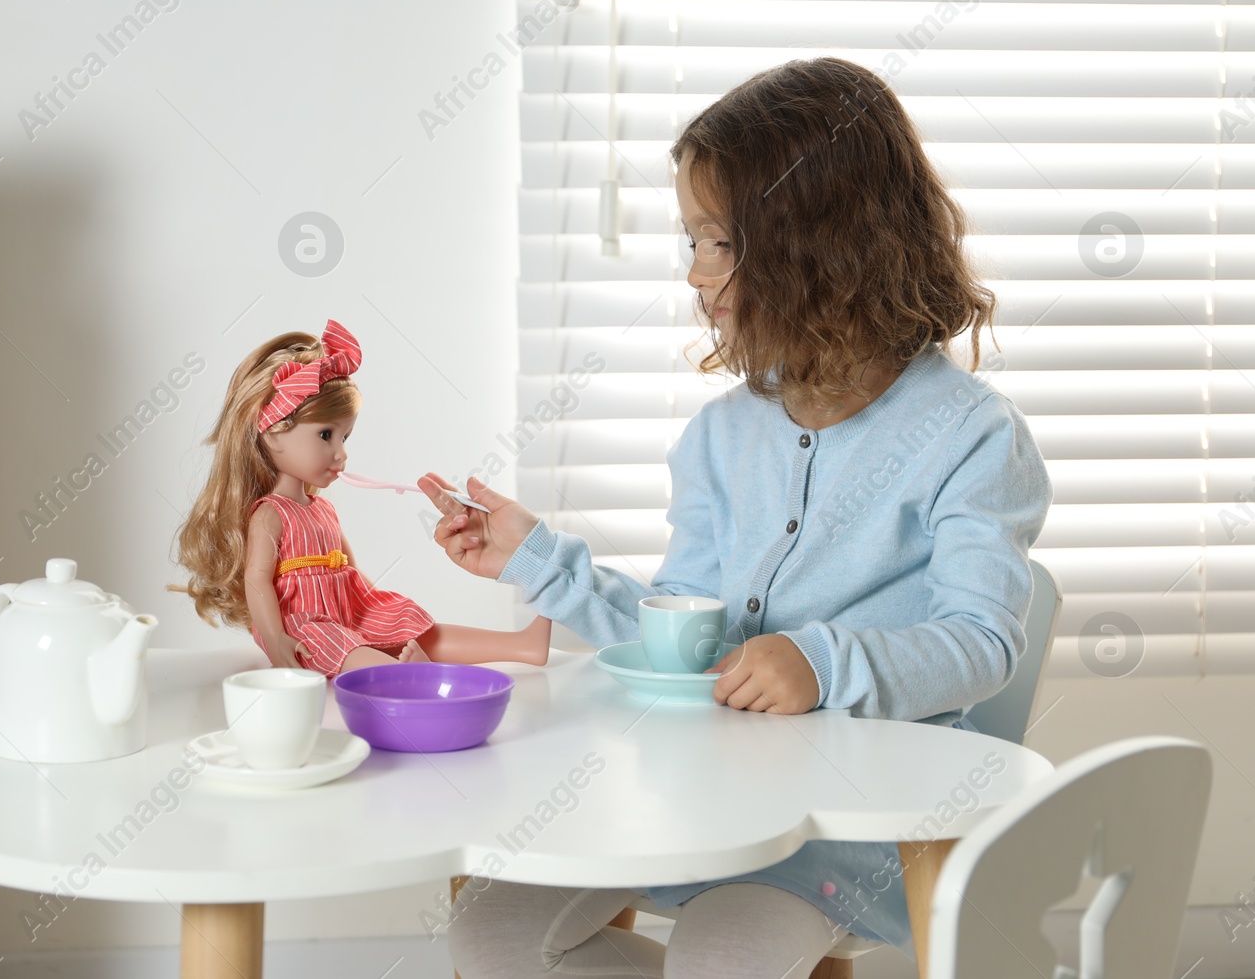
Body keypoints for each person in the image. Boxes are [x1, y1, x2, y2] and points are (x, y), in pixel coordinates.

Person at [418, 57, 1052, 977]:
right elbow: (683, 640)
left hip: (845, 829)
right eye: (691, 241)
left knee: (721, 958)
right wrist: (539, 560)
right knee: (490, 930)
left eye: (715, 243)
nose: (693, 273)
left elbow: (981, 640)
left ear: (818, 246)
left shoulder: (970, 435)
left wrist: (821, 662)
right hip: (693, 801)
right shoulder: (723, 435)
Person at [170, 319, 551, 676]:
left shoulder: (322, 509)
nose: (341, 453)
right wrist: (275, 637)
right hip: (306, 624)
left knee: (420, 631)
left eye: (345, 437)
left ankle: (521, 646)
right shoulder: (270, 514)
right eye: (325, 435)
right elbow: (257, 579)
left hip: (345, 608)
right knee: (353, 652)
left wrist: (375, 605)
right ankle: (411, 677)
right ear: (272, 432)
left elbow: (349, 566)